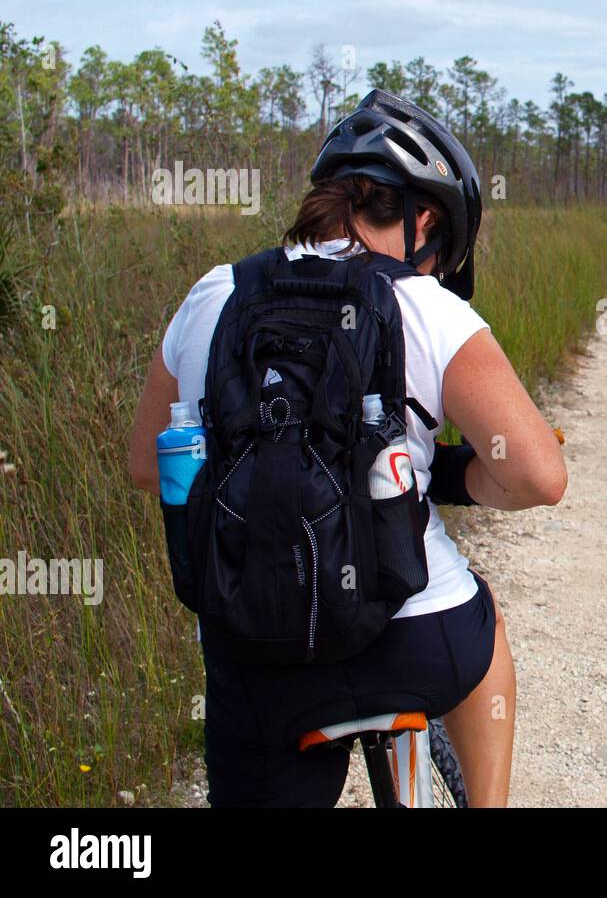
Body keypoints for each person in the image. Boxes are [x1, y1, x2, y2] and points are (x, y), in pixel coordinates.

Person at [128, 90, 566, 807]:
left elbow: (149, 465)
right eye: (442, 248)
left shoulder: (212, 295)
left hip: (254, 658)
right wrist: (451, 474)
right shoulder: (426, 305)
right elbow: (540, 476)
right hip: (418, 641)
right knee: (484, 635)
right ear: (423, 218)